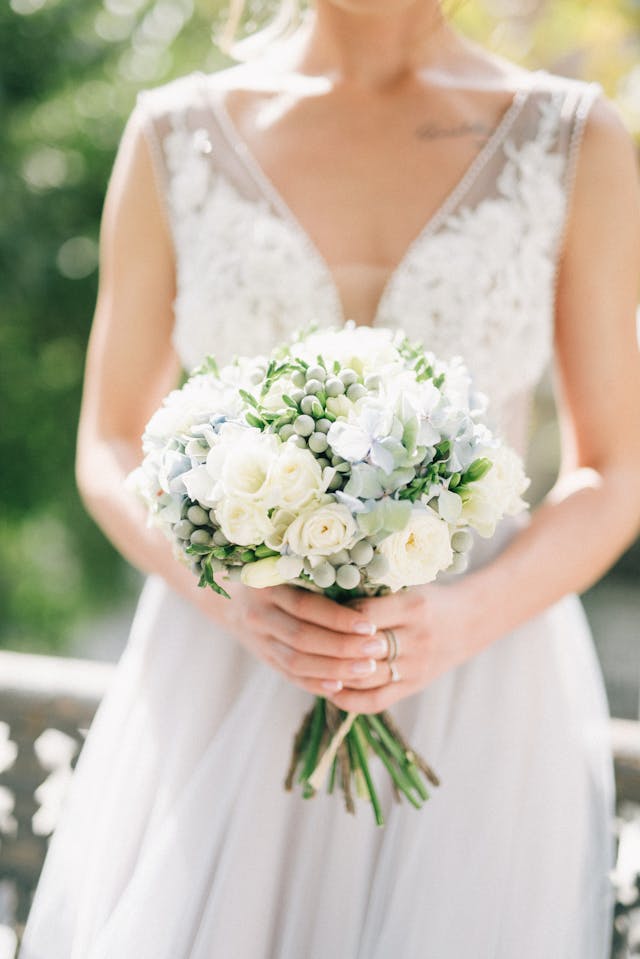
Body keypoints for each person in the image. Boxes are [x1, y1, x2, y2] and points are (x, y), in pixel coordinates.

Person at [19, 1, 640, 956]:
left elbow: (618, 468)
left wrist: (457, 622)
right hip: (224, 667)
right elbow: (107, 443)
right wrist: (233, 599)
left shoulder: (572, 138)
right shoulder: (176, 133)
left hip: (479, 681)